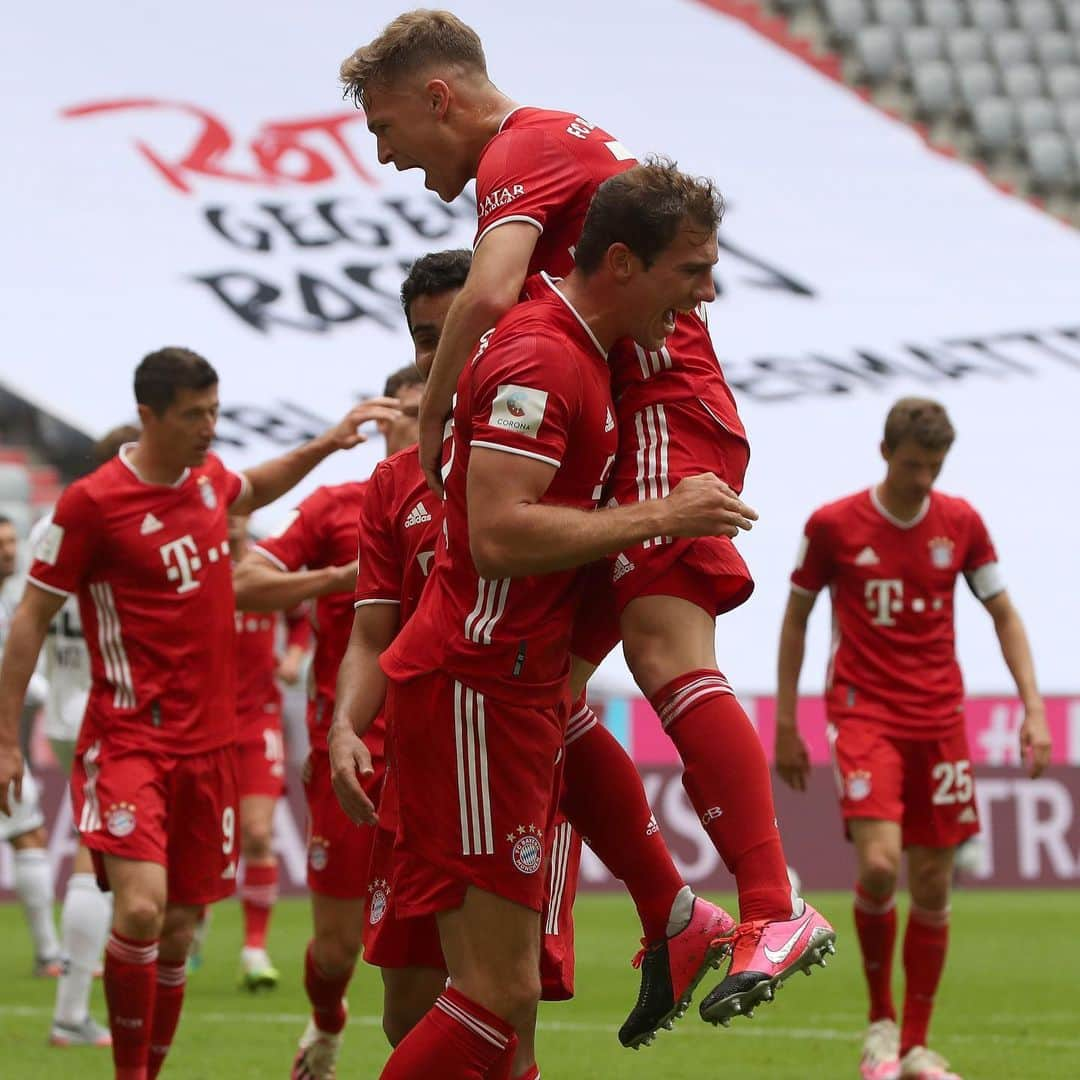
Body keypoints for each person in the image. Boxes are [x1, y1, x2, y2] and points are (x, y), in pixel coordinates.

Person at [341, 10, 833, 1035]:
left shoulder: (520, 148)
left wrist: (431, 415)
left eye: (388, 129)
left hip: (666, 408)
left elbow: (487, 292)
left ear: (440, 98)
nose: (389, 157)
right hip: (621, 419)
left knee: (662, 650)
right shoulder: (563, 153)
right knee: (543, 678)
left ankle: (773, 908)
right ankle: (671, 910)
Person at [353, 161, 757, 1080]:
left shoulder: (580, 351)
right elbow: (497, 535)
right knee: (490, 999)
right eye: (691, 272)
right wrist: (663, 514)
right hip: (474, 687)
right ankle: (681, 909)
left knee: (505, 1002)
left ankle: (674, 909)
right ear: (621, 262)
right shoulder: (541, 356)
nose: (706, 294)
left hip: (513, 692)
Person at [0, 346, 400, 1080]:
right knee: (144, 911)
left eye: (215, 411)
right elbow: (29, 618)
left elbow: (251, 484)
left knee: (179, 932)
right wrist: (5, 742)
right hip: (129, 738)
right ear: (149, 416)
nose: (209, 427)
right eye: (194, 415)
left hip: (212, 746)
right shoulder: (92, 503)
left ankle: (146, 1070)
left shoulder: (210, 482)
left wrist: (326, 442)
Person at [775, 398, 1051, 1080]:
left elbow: (1005, 615)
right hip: (865, 714)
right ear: (883, 453)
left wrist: (1034, 708)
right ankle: (881, 1028)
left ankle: (918, 1047)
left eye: (934, 466)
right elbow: (796, 621)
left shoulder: (961, 524)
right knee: (877, 865)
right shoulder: (833, 525)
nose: (923, 478)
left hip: (941, 720)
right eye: (911, 464)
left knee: (932, 877)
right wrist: (786, 720)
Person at [232, 367, 425, 1079]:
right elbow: (244, 580)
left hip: (442, 750)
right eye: (407, 409)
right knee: (338, 950)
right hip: (346, 754)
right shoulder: (337, 507)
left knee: (437, 952)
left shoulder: (477, 499)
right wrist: (339, 580)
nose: (421, 419)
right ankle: (326, 1023)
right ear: (381, 421)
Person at [33, 423, 138, 1048]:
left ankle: (86, 982)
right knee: (95, 856)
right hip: (109, 711)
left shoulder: (55, 524)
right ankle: (71, 1010)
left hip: (66, 703)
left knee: (95, 849)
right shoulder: (116, 521)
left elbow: (31, 615)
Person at [229, 512, 310, 991]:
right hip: (203, 724)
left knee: (258, 832)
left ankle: (254, 949)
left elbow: (301, 617)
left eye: (239, 513)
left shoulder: (267, 568)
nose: (232, 521)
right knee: (202, 843)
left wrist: (295, 658)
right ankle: (192, 928)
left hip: (259, 718)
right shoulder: (198, 567)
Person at [0, 514, 63, 981]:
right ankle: (48, 956)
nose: (8, 551)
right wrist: (44, 692)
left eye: (11, 542)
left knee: (29, 834)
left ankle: (48, 955)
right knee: (28, 835)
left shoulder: (13, 598)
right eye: (0, 545)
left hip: (7, 739)